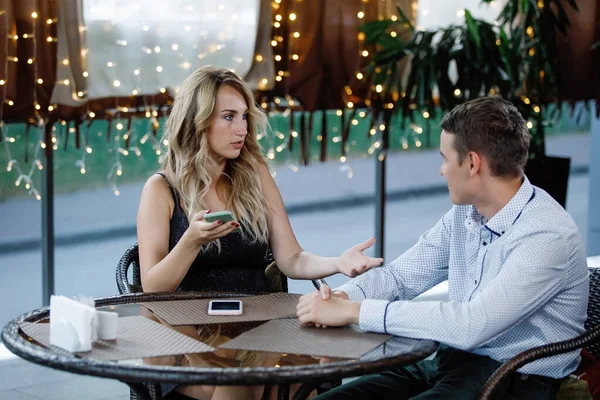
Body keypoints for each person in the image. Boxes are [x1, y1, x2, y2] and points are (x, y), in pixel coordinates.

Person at [296, 96, 589, 400]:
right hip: (454, 362)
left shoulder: (546, 236)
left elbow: (472, 324)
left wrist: (353, 312)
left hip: (516, 380)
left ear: (473, 163)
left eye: (445, 159)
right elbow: (400, 277)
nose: (441, 170)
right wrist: (342, 299)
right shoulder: (466, 214)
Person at [136, 65, 383, 399]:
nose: (241, 128)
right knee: (243, 380)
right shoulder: (162, 189)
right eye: (228, 117)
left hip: (260, 325)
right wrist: (191, 241)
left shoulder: (254, 175)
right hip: (187, 334)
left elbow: (292, 258)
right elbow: (152, 286)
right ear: (198, 120)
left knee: (304, 375)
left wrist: (338, 262)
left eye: (244, 117)